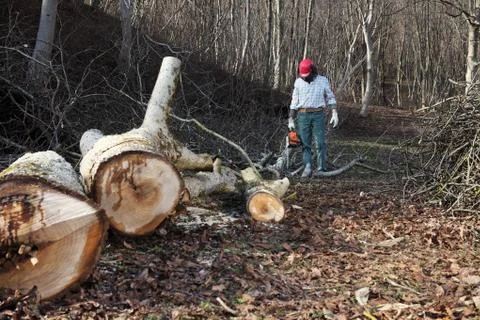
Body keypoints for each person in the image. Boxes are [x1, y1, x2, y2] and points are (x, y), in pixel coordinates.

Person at [288, 58, 339, 177]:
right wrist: (291, 118)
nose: (305, 78)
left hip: (318, 114)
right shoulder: (298, 82)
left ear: (312, 71)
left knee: (320, 142)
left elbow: (330, 97)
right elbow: (294, 101)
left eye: (307, 75)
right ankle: (307, 166)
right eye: (303, 76)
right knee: (305, 143)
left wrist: (334, 112)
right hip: (303, 115)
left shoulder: (323, 81)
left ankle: (322, 168)